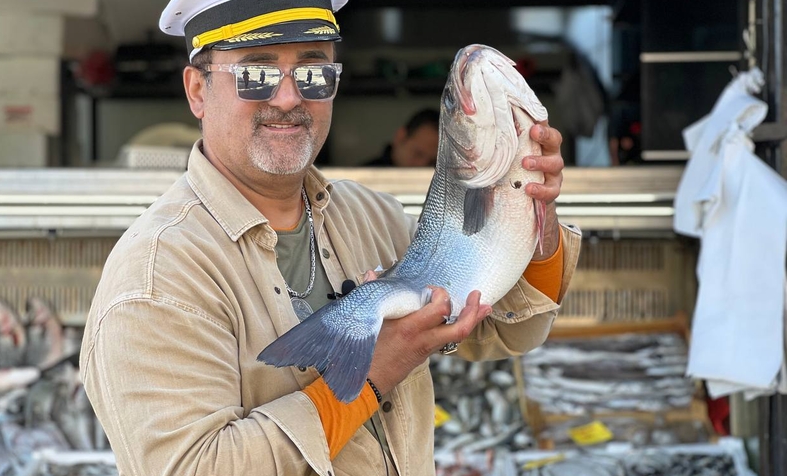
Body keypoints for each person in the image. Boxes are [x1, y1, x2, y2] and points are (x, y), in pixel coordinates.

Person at [79, 0, 581, 475]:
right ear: (197, 90)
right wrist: (372, 374)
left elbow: (510, 331)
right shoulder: (157, 274)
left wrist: (529, 211)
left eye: (313, 73)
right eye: (257, 74)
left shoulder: (370, 216)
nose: (289, 98)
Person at [364, 108, 440, 167]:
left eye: (432, 162)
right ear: (400, 136)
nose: (422, 164)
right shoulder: (362, 179)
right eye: (418, 154)